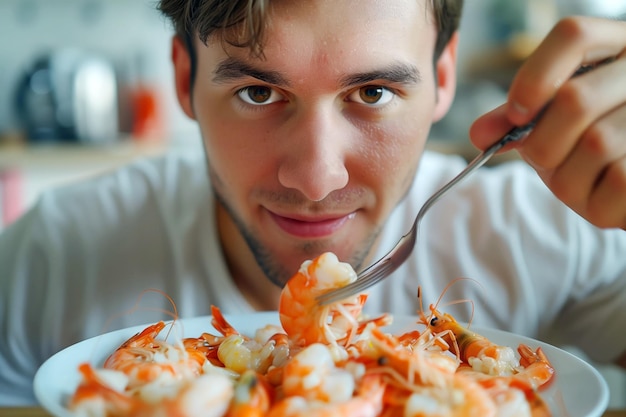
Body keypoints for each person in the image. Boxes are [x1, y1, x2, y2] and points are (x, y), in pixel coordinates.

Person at [1, 0, 625, 406]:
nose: (316, 180)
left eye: (374, 92)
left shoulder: (546, 227)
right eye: (257, 92)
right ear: (182, 76)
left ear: (442, 79)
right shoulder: (55, 251)